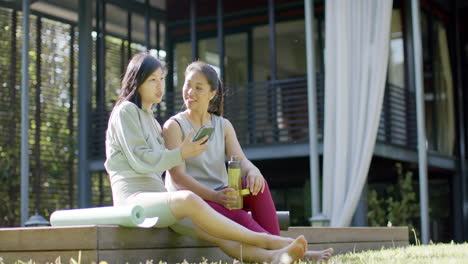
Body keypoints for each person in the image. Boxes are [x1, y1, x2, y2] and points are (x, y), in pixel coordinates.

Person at [104, 52, 310, 263]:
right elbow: (143, 160)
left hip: (161, 202)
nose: (159, 86)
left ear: (212, 93)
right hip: (135, 200)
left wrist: (252, 171)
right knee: (190, 199)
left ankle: (275, 257)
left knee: (223, 238)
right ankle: (272, 242)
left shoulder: (152, 120)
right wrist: (182, 153)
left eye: (161, 80)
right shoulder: (126, 111)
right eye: (152, 80)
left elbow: (159, 161)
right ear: (137, 82)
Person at [163, 60, 333, 262]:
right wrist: (216, 196)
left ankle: (283, 251)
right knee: (241, 217)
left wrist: (254, 172)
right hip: (194, 201)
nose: (190, 92)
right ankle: (292, 251)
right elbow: (178, 177)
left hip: (222, 196)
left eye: (198, 88)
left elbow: (241, 160)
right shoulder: (174, 126)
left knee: (257, 186)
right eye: (187, 85)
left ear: (212, 93)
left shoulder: (222, 125)